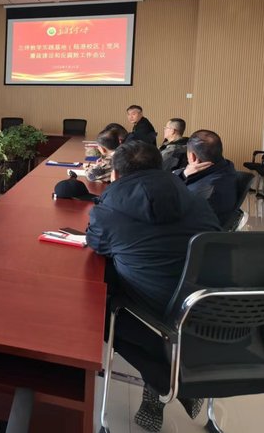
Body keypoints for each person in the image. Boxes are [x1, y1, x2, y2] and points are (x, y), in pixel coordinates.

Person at [85, 141, 221, 432]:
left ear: (115, 174)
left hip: (154, 315)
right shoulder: (198, 201)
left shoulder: (107, 212)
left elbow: (96, 245)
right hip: (208, 312)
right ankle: (172, 378)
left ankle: (165, 380)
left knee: (93, 308)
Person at [174, 129, 237, 225]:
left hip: (190, 229)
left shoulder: (201, 192)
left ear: (192, 157)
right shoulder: (227, 167)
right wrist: (184, 174)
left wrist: (183, 175)